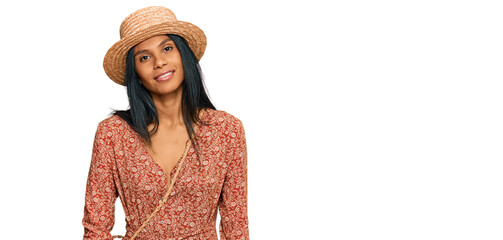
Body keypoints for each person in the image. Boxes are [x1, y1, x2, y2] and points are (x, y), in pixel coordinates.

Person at [82, 6, 249, 240]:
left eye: (167, 48)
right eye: (145, 57)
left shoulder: (226, 130)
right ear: (135, 72)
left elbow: (236, 226)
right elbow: (96, 229)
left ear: (184, 55)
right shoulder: (113, 133)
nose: (159, 62)